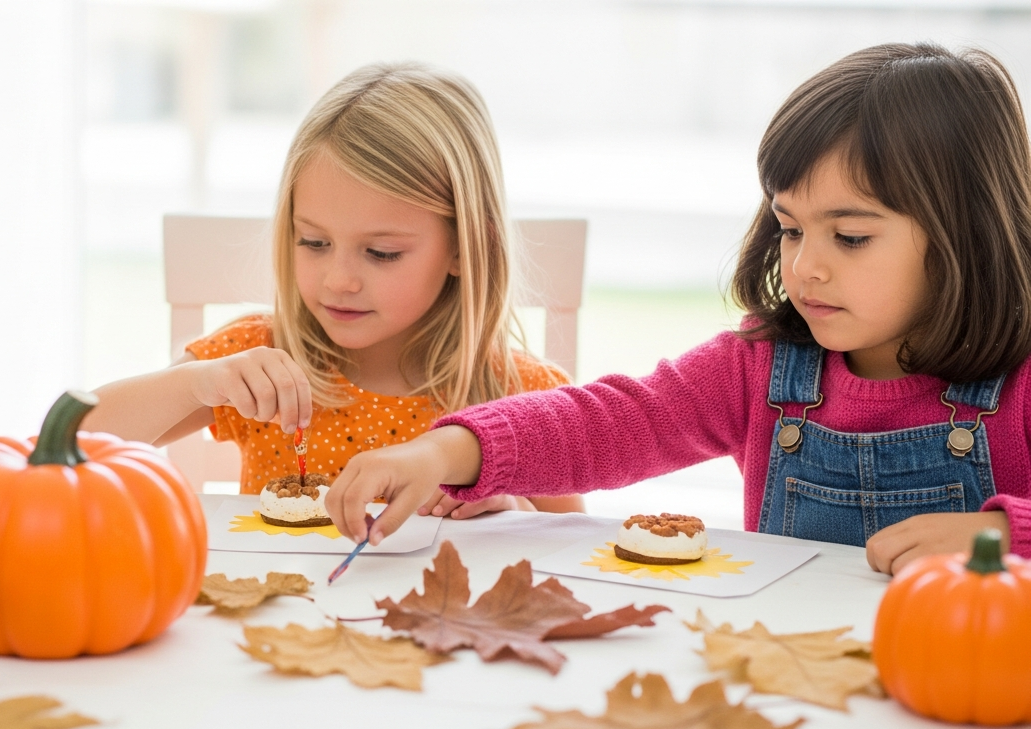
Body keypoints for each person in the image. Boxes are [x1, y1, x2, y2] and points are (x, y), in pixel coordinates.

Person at [326, 42, 1031, 575]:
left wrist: (1003, 537)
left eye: (850, 236)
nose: (805, 265)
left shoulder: (1019, 384)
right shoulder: (759, 367)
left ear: (963, 232)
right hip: (787, 678)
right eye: (790, 228)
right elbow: (615, 420)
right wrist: (443, 449)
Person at [82, 62, 581, 515]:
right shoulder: (260, 358)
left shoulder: (523, 395)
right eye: (314, 242)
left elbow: (571, 558)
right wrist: (194, 383)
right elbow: (68, 446)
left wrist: (516, 518)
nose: (338, 280)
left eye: (382, 253)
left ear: (463, 248)